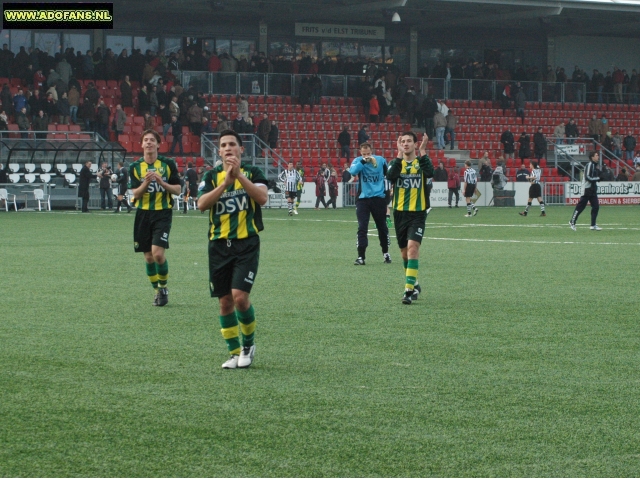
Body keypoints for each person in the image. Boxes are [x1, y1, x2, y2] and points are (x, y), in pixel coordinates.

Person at [197, 129, 268, 369]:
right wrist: (225, 184)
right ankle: (233, 352)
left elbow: (262, 198)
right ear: (218, 151)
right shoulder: (210, 176)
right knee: (225, 302)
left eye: (232, 144)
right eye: (223, 145)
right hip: (218, 246)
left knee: (240, 297)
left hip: (246, 244)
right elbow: (201, 205)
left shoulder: (254, 172)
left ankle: (248, 345)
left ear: (241, 149)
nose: (227, 148)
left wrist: (239, 178)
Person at [128, 129, 182, 307]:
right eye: (146, 140)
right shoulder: (135, 167)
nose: (149, 143)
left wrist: (161, 182)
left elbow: (178, 190)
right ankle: (157, 291)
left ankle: (164, 287)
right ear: (141, 144)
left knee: (158, 254)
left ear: (159, 144)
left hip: (162, 213)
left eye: (152, 140)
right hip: (143, 214)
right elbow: (135, 193)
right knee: (148, 257)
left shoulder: (167, 164)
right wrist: (146, 182)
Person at [386, 132, 434, 305]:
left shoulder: (421, 163)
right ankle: (415, 282)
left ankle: (408, 290)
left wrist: (423, 151)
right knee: (405, 254)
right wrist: (398, 156)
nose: (406, 144)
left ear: (415, 144)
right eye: (403, 141)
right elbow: (390, 177)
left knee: (413, 248)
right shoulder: (395, 164)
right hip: (399, 213)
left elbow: (430, 172)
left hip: (418, 213)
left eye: (409, 141)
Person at [349, 142, 391, 265]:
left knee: (382, 227)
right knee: (362, 227)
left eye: (368, 154)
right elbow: (352, 172)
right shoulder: (358, 161)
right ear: (360, 153)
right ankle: (361, 256)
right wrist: (363, 161)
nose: (366, 156)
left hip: (378, 198)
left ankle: (386, 253)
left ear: (372, 151)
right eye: (364, 154)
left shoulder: (380, 160)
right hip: (363, 199)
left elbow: (387, 174)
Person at [569, 151, 602, 231]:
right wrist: (598, 179)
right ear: (592, 157)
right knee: (581, 206)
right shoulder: (589, 165)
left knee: (596, 206)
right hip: (587, 189)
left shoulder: (595, 166)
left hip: (593, 189)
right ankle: (572, 221)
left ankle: (593, 225)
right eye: (596, 155)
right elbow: (588, 177)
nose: (598, 157)